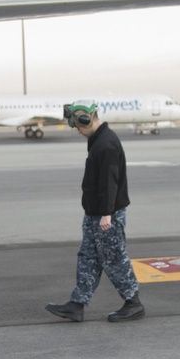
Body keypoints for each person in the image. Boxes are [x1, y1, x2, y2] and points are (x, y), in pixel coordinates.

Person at [45, 101, 144, 323]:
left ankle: (133, 303)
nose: (78, 131)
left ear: (85, 120)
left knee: (114, 258)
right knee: (88, 258)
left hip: (105, 215)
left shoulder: (106, 144)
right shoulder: (97, 140)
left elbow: (110, 180)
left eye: (78, 127)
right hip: (94, 213)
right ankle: (77, 304)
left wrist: (106, 214)